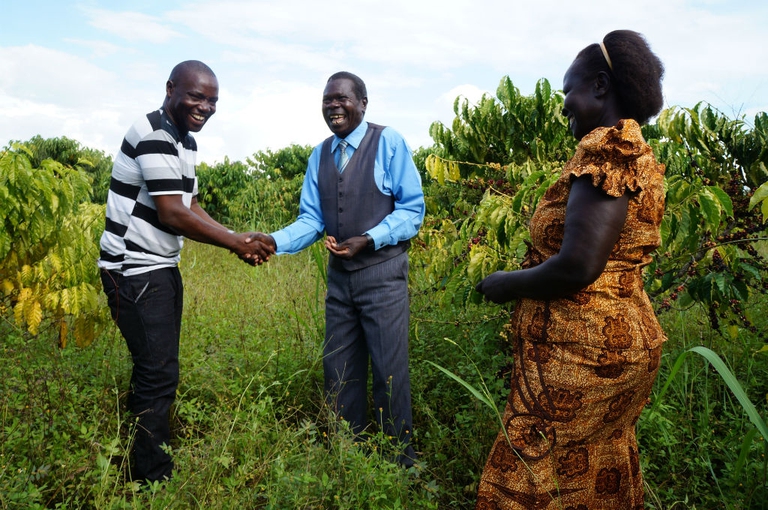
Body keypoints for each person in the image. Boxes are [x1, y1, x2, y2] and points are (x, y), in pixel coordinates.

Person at [474, 30, 667, 509]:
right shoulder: (637, 152)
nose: (564, 105)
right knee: (595, 469)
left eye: (568, 91)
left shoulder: (606, 149)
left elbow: (579, 265)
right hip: (625, 342)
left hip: (581, 354)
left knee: (527, 473)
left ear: (600, 87)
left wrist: (505, 284)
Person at [97, 60, 274, 484]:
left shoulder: (185, 141)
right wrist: (236, 243)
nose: (205, 106)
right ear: (171, 88)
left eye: (212, 100)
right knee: (158, 375)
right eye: (196, 96)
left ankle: (139, 462)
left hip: (159, 268)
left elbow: (190, 205)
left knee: (157, 370)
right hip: (133, 270)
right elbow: (173, 214)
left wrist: (235, 236)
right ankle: (150, 481)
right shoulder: (155, 134)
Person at [250, 71, 425, 466]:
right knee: (340, 371)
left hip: (383, 275)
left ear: (363, 103)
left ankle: (399, 463)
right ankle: (349, 456)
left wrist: (369, 238)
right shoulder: (320, 154)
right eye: (327, 99)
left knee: (388, 372)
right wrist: (274, 241)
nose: (333, 105)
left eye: (342, 98)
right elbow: (311, 220)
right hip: (340, 281)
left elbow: (413, 210)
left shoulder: (389, 142)